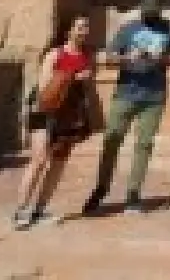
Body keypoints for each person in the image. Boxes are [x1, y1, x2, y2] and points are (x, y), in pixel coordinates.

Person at [83, 0, 170, 215]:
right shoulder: (129, 29)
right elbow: (109, 58)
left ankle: (133, 192)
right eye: (146, 11)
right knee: (112, 140)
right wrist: (129, 58)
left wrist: (160, 58)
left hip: (154, 95)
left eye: (153, 12)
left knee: (144, 145)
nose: (149, 15)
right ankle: (101, 188)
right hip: (126, 92)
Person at [14, 16, 99, 229]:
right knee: (39, 160)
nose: (83, 31)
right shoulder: (55, 54)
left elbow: (88, 91)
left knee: (58, 164)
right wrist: (72, 77)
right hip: (45, 112)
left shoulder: (88, 57)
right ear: (67, 30)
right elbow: (43, 89)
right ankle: (20, 211)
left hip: (69, 116)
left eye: (86, 27)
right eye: (79, 27)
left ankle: (40, 210)